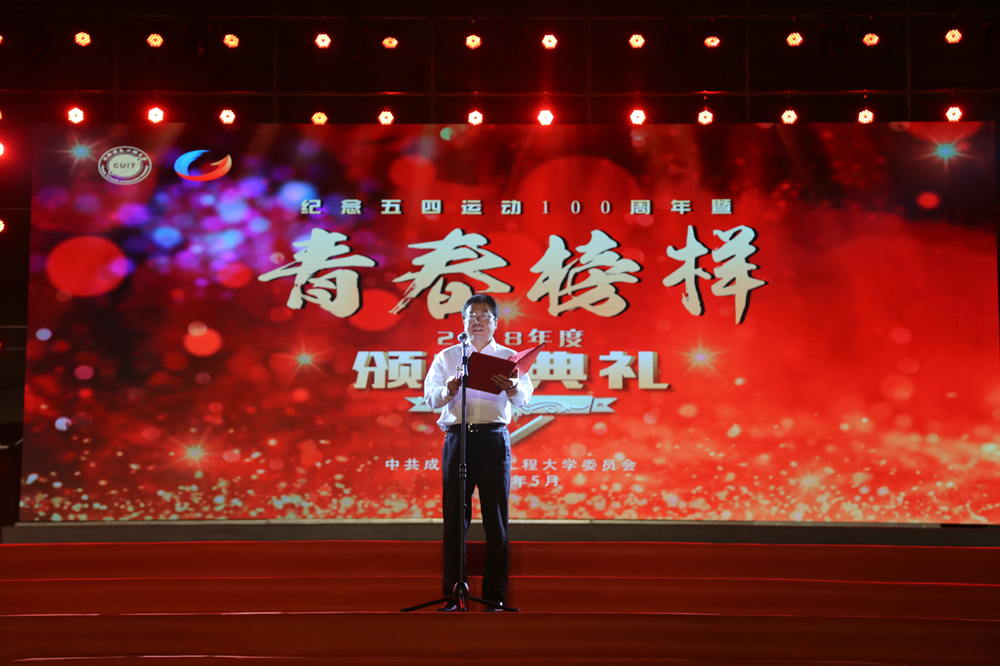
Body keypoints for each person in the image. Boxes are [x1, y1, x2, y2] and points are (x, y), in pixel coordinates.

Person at [423, 294, 534, 611]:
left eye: (485, 316)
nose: (477, 321)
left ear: (496, 322)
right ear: (463, 322)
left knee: (495, 521)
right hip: (458, 438)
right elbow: (430, 397)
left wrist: (512, 387)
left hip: (493, 439)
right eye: (471, 316)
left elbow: (525, 398)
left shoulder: (509, 357)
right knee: (454, 520)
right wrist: (449, 389)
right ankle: (454, 596)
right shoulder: (448, 356)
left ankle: (494, 597)